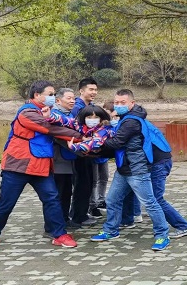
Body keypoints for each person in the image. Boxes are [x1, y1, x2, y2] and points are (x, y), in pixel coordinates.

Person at [0, 80, 83, 249]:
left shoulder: (47, 112)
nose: (53, 97)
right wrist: (80, 136)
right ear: (37, 95)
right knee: (7, 202)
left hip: (41, 165)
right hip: (17, 165)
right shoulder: (27, 113)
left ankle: (59, 234)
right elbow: (50, 128)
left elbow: (58, 124)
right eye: (50, 94)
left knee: (52, 199)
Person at [89, 89, 171, 252]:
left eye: (122, 103)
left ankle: (162, 234)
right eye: (116, 103)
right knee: (112, 200)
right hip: (123, 168)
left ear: (132, 104)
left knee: (150, 203)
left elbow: (116, 143)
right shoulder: (124, 118)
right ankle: (111, 230)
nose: (119, 105)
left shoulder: (131, 121)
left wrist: (91, 143)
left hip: (137, 169)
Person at [70, 77, 99, 227]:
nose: (94, 92)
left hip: (89, 151)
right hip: (79, 152)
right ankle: (78, 216)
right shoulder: (76, 107)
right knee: (82, 183)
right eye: (91, 89)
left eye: (95, 89)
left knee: (89, 182)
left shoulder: (91, 106)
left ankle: (81, 212)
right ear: (81, 90)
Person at [50, 88, 79, 231]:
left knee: (67, 191)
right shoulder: (54, 116)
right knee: (59, 191)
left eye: (73, 98)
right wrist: (79, 144)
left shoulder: (69, 114)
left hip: (67, 159)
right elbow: (58, 136)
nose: (72, 101)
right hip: (58, 159)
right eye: (69, 98)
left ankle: (64, 219)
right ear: (58, 100)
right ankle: (56, 223)